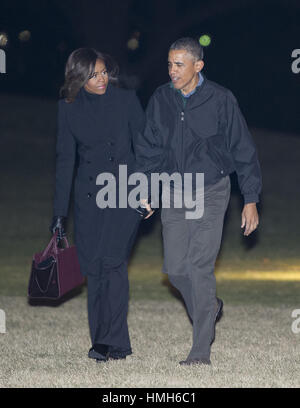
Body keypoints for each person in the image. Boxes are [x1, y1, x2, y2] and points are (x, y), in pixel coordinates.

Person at [135, 37, 262, 365]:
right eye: (169, 64)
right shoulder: (162, 98)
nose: (172, 71)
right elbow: (149, 150)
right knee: (176, 270)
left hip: (211, 190)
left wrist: (250, 198)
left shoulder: (221, 100)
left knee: (199, 266)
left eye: (179, 64)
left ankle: (200, 351)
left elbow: (243, 150)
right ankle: (210, 307)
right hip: (173, 192)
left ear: (198, 66)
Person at [50, 48, 145, 362]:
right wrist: (59, 213)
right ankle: (104, 339)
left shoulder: (126, 100)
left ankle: (110, 343)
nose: (102, 78)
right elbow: (65, 161)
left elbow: (145, 148)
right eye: (93, 75)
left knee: (113, 262)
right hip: (89, 198)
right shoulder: (68, 108)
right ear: (79, 78)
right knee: (94, 269)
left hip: (125, 192)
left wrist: (149, 190)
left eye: (104, 71)